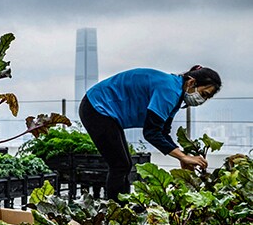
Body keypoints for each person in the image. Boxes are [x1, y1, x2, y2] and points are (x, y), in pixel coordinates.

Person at [79, 65, 222, 200]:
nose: (201, 100)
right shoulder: (169, 90)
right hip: (96, 107)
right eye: (203, 94)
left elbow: (163, 132)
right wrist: (183, 157)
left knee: (125, 165)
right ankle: (115, 213)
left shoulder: (176, 92)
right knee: (119, 165)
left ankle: (123, 209)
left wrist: (182, 157)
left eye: (206, 98)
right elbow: (151, 132)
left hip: (105, 111)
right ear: (191, 83)